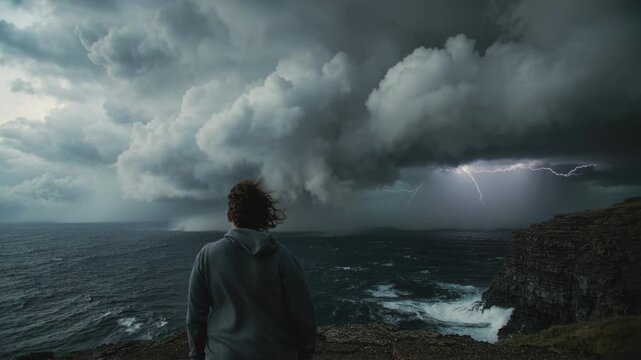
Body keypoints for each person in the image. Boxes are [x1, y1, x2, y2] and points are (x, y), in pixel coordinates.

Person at [186, 179, 317, 360]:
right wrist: (305, 355)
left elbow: (195, 318)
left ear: (229, 215)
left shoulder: (207, 255)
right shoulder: (283, 258)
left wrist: (196, 356)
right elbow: (304, 317)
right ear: (263, 217)